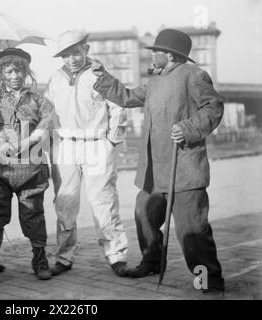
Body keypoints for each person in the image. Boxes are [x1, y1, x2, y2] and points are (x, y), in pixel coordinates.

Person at [92, 29, 225, 293]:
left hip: (184, 169)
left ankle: (208, 280)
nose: (152, 54)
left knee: (192, 231)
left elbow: (213, 107)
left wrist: (188, 127)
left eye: (156, 51)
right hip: (154, 171)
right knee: (144, 216)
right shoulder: (154, 81)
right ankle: (152, 262)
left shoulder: (193, 76)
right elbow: (128, 97)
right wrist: (103, 76)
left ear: (170, 55)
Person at [44, 30, 129, 277]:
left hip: (96, 143)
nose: (72, 59)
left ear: (86, 50)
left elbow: (118, 108)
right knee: (65, 203)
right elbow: (48, 112)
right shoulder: (55, 79)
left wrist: (112, 141)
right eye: (67, 55)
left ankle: (116, 255)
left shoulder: (99, 74)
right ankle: (64, 256)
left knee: (104, 201)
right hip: (66, 145)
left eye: (77, 52)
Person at [0, 48, 54, 281]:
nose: (14, 76)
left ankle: (40, 257)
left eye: (19, 70)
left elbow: (48, 121)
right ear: (0, 74)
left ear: (26, 72)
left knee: (33, 212)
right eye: (8, 71)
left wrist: (30, 140)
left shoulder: (38, 99)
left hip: (31, 167)